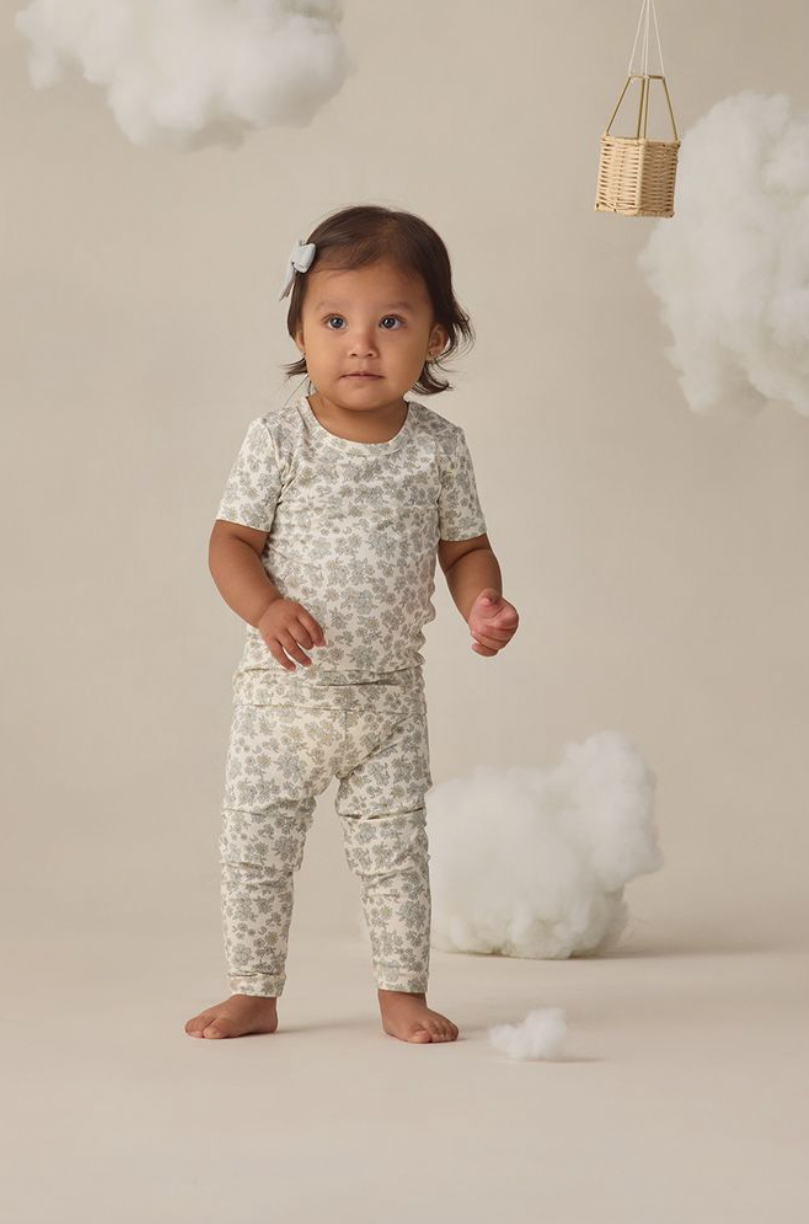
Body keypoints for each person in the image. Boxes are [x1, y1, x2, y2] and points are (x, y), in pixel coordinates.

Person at [185, 204, 519, 1043]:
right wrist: (265, 607)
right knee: (255, 850)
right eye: (335, 321)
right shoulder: (279, 439)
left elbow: (465, 549)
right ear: (300, 331)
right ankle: (254, 990)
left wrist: (483, 601)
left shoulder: (438, 449)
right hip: (282, 699)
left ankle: (401, 992)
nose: (361, 344)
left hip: (387, 704)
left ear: (435, 338)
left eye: (390, 322)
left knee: (397, 854)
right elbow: (229, 543)